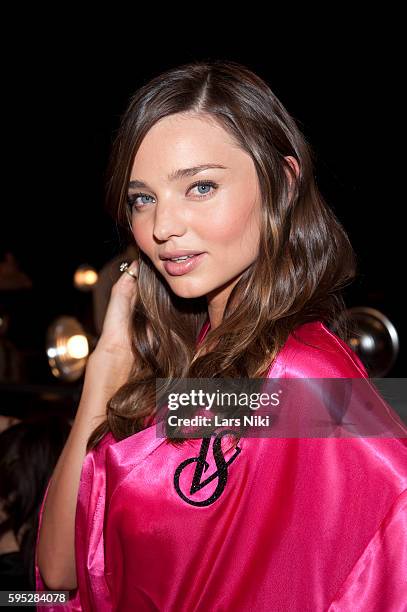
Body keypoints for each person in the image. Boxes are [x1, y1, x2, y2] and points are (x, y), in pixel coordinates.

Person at [35, 60, 407, 611]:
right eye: (143, 198)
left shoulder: (296, 380)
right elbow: (61, 568)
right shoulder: (204, 368)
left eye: (201, 187)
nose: (163, 227)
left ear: (282, 181)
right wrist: (107, 364)